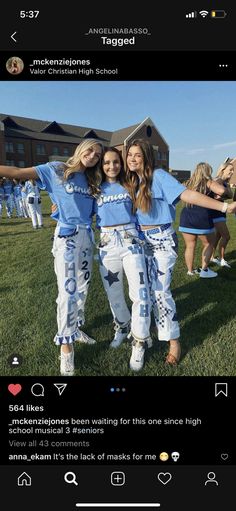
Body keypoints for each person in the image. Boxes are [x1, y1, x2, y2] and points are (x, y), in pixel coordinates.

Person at [124, 139, 236, 366]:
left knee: (161, 292)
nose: (132, 159)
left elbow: (189, 195)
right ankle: (145, 333)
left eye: (137, 155)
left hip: (161, 240)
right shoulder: (131, 181)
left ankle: (173, 340)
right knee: (142, 292)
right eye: (130, 155)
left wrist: (223, 206)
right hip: (138, 242)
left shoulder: (160, 177)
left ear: (146, 157)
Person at [0, 139, 103, 376]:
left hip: (87, 237)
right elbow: (17, 172)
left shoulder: (92, 180)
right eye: (90, 150)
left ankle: (75, 329)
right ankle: (66, 347)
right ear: (80, 149)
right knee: (67, 291)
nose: (92, 156)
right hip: (67, 237)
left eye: (97, 155)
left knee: (83, 289)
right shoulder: (56, 169)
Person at [95, 147, 151, 371]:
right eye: (107, 162)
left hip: (131, 241)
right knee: (114, 292)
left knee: (140, 292)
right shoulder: (94, 188)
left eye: (116, 162)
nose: (111, 166)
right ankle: (122, 326)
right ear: (102, 165)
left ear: (122, 163)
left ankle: (140, 340)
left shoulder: (131, 184)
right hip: (107, 244)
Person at [179, 162, 225, 278]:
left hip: (186, 216)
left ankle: (190, 271)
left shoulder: (188, 183)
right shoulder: (208, 182)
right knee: (209, 243)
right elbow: (221, 191)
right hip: (202, 217)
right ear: (207, 171)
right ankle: (204, 270)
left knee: (190, 245)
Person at [210, 159, 234, 268]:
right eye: (230, 170)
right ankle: (222, 259)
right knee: (226, 236)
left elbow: (230, 195)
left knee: (218, 236)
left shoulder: (225, 182)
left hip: (221, 211)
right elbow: (220, 194)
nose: (232, 172)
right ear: (223, 169)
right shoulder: (217, 180)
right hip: (215, 212)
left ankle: (211, 257)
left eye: (233, 170)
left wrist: (226, 192)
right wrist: (225, 193)